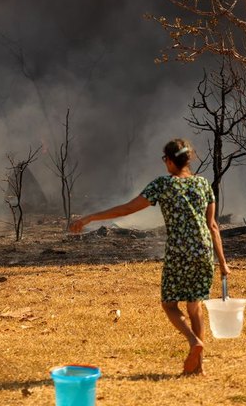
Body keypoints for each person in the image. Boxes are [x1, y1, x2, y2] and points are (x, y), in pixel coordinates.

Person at [69, 138, 229, 375]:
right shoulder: (204, 184)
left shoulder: (163, 185)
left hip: (179, 252)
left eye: (165, 159)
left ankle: (194, 341)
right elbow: (213, 226)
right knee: (195, 306)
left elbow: (126, 209)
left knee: (169, 305)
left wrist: (90, 217)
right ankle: (198, 368)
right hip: (203, 251)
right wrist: (223, 263)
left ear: (171, 161)